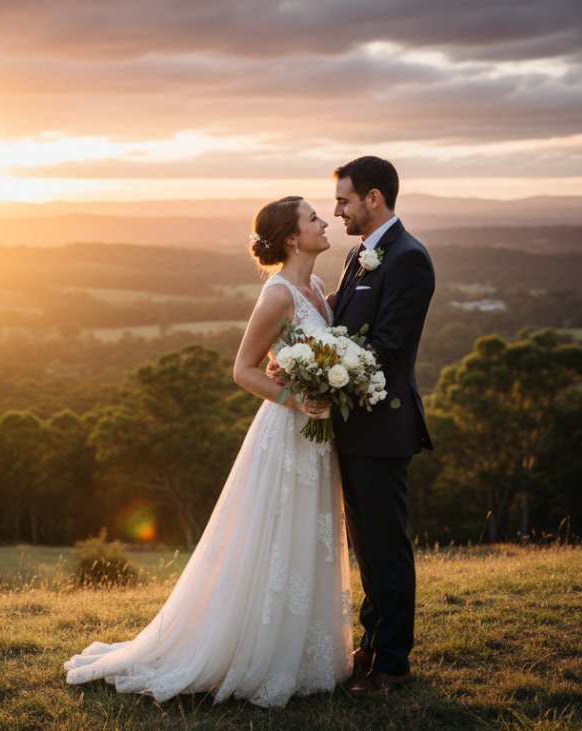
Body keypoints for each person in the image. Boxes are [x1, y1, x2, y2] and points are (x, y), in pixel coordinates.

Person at [64, 196, 353, 708]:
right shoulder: (279, 294)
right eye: (313, 218)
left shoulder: (319, 290)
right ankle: (253, 651)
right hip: (286, 432)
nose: (324, 221)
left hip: (317, 437)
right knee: (274, 537)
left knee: (309, 536)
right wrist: (296, 398)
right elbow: (243, 369)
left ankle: (304, 653)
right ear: (291, 237)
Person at [328, 156, 435, 693]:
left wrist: (323, 372)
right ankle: (372, 643)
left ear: (374, 198)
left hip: (382, 427)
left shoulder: (409, 259)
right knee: (366, 545)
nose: (336, 210)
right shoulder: (359, 254)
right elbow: (342, 319)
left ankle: (393, 663)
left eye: (344, 200)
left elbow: (387, 346)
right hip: (352, 426)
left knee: (387, 545)